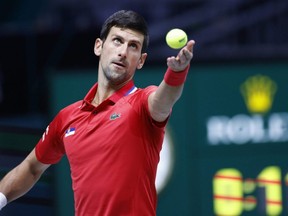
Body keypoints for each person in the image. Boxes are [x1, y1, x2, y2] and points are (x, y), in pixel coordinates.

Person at [0, 10, 195, 216]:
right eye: (117, 41)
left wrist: (177, 72)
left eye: (133, 46)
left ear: (141, 60)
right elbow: (32, 167)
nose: (123, 52)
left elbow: (165, 99)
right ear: (98, 46)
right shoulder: (67, 118)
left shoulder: (142, 103)